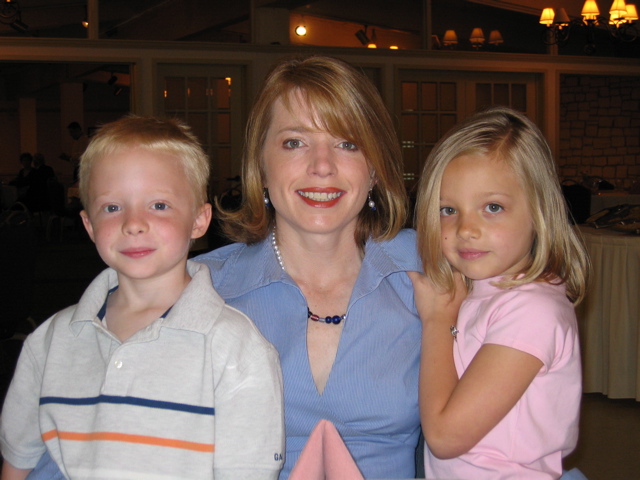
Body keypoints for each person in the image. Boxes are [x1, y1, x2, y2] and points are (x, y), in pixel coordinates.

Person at [0, 115, 285, 480]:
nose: (133, 223)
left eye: (159, 205)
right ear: (89, 225)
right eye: (112, 207)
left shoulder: (236, 348)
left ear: (199, 221)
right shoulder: (50, 341)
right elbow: (19, 459)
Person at [196, 55, 423, 479]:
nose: (322, 165)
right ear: (260, 165)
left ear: (375, 169)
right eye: (294, 142)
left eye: (348, 143)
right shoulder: (202, 290)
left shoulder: (429, 273)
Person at [410, 107, 589, 479]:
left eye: (492, 207)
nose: (466, 229)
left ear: (539, 211)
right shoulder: (481, 290)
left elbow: (444, 437)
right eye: (448, 209)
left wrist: (437, 320)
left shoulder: (532, 310)